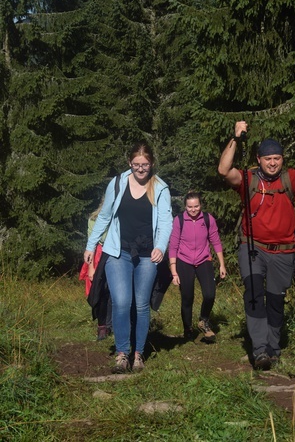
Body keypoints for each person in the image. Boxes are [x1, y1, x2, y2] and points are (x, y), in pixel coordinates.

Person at [218, 120, 295, 370]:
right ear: (259, 159)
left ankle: (273, 348)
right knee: (254, 294)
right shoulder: (248, 179)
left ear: (282, 159)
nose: (273, 162)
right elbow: (224, 170)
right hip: (252, 248)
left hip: (284, 250)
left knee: (276, 300)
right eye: (268, 159)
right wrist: (236, 138)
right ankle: (259, 350)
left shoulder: (292, 179)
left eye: (277, 158)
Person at [84, 142, 172, 373]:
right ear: (129, 163)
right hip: (118, 252)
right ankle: (122, 353)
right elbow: (103, 216)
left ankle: (138, 353)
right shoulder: (117, 183)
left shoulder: (160, 188)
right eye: (136, 165)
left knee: (141, 305)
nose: (140, 170)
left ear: (152, 163)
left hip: (147, 255)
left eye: (145, 165)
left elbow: (165, 222)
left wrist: (161, 247)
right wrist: (91, 246)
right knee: (122, 302)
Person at [169, 191, 227, 342]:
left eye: (196, 206)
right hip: (184, 261)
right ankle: (188, 328)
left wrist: (222, 264)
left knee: (209, 294)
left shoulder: (208, 219)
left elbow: (216, 241)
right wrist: (174, 271)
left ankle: (204, 320)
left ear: (200, 205)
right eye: (190, 207)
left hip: (204, 260)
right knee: (187, 297)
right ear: (185, 207)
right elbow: (173, 246)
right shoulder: (179, 220)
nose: (193, 210)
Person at [79, 198, 112, 341]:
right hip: (99, 255)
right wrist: (91, 267)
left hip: (116, 255)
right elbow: (91, 244)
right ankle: (102, 327)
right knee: (100, 292)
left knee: (114, 293)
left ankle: (112, 325)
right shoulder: (93, 220)